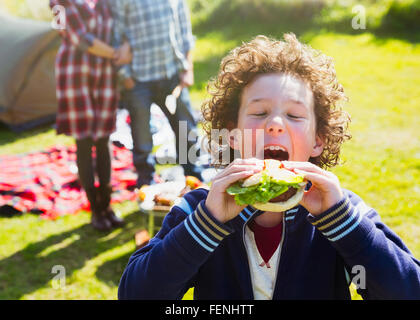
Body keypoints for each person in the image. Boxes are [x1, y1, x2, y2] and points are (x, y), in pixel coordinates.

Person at [117, 34, 420, 299]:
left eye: (294, 115)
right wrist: (207, 225)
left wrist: (344, 224)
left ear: (318, 141)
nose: (275, 124)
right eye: (260, 112)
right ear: (232, 135)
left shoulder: (341, 212)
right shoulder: (199, 210)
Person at [50, 0, 132, 231]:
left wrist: (125, 45)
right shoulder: (59, 3)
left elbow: (122, 26)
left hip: (104, 74)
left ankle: (107, 206)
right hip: (76, 74)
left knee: (104, 137)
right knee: (84, 141)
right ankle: (95, 210)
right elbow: (79, 38)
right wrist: (117, 53)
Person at [110, 0, 203, 188]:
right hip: (137, 80)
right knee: (142, 138)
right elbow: (115, 36)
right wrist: (125, 76)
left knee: (187, 130)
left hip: (171, 75)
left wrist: (188, 68)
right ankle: (146, 184)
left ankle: (193, 178)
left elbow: (184, 28)